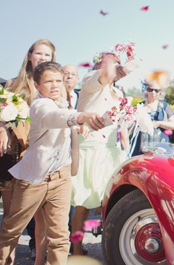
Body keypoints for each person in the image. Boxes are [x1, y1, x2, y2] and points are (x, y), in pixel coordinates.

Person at [0, 61, 104, 265]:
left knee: (59, 236)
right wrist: (81, 117)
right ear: (37, 86)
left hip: (61, 177)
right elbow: (55, 117)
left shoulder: (64, 104)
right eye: (48, 81)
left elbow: (63, 118)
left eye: (59, 80)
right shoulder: (40, 106)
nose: (55, 85)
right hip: (35, 178)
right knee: (13, 229)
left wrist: (78, 127)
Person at [70, 52, 134, 256]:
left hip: (110, 151)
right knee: (83, 205)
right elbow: (104, 76)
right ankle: (77, 250)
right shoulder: (90, 80)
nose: (112, 68)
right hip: (90, 149)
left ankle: (113, 245)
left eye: (115, 64)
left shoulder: (119, 93)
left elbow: (121, 123)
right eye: (108, 64)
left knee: (110, 202)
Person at [1, 39, 55, 264]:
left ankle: (39, 259)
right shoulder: (13, 85)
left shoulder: (52, 87)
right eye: (39, 53)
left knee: (42, 214)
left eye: (48, 55)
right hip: (14, 155)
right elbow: (3, 114)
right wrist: (2, 128)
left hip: (41, 156)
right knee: (13, 214)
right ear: (30, 56)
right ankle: (8, 257)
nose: (42, 58)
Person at [139, 80, 174, 145]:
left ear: (160, 92)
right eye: (150, 90)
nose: (153, 92)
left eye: (156, 90)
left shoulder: (165, 106)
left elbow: (173, 125)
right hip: (141, 146)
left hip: (161, 145)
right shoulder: (140, 106)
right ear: (146, 90)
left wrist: (158, 123)